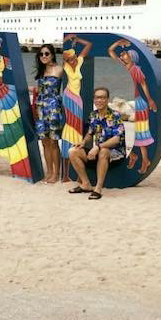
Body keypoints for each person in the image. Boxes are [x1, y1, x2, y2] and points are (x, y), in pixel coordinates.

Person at [108, 38, 157, 173]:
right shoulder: (123, 66)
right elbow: (110, 51)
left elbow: (143, 84)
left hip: (138, 103)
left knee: (141, 135)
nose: (122, 55)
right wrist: (118, 43)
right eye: (123, 54)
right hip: (127, 101)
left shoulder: (135, 70)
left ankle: (145, 160)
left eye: (125, 54)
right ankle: (134, 155)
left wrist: (150, 100)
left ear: (131, 58)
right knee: (118, 130)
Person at [67, 87, 125, 200]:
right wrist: (83, 142)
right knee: (73, 151)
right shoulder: (93, 115)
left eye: (103, 97)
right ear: (94, 99)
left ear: (107, 99)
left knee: (103, 151)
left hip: (114, 153)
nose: (99, 100)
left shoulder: (115, 116)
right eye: (97, 97)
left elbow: (117, 139)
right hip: (97, 151)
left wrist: (98, 147)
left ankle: (98, 188)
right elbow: (90, 133)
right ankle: (86, 184)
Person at [34, 43, 63, 183]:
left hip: (53, 108)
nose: (44, 56)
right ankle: (49, 171)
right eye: (41, 54)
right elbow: (38, 90)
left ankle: (56, 173)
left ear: (52, 54)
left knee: (53, 142)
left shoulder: (59, 70)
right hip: (40, 109)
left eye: (46, 53)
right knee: (44, 142)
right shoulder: (41, 71)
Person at [60, 34, 92, 158]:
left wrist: (78, 40)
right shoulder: (66, 66)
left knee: (77, 122)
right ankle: (67, 149)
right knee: (69, 121)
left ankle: (76, 148)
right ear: (67, 61)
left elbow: (89, 45)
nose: (72, 60)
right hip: (68, 96)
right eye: (69, 59)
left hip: (77, 98)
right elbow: (57, 51)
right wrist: (66, 39)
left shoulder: (79, 62)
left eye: (73, 57)